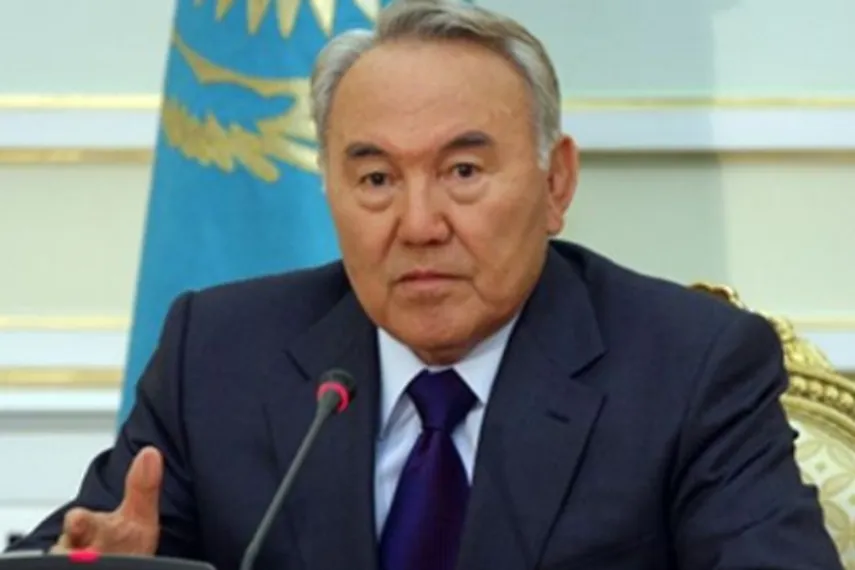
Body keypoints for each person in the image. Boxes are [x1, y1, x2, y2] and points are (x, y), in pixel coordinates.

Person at [6, 0, 843, 568]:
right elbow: (86, 542)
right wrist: (98, 565)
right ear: (330, 191)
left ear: (555, 183)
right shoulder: (219, 355)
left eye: (463, 171)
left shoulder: (688, 366)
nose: (418, 224)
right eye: (375, 179)